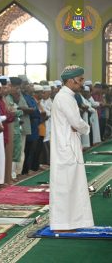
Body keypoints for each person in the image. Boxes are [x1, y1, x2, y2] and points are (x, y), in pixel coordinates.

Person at [50, 65, 93, 232]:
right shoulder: (64, 98)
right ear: (70, 80)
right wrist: (85, 128)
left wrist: (78, 127)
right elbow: (76, 122)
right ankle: (62, 225)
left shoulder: (68, 96)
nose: (81, 83)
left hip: (68, 144)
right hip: (66, 147)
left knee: (71, 185)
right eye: (80, 80)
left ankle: (70, 223)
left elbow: (75, 124)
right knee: (65, 186)